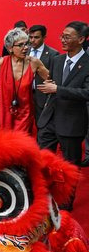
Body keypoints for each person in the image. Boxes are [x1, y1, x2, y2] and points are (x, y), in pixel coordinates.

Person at [0, 28, 49, 134]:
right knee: (6, 142)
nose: (26, 48)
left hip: (25, 112)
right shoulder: (2, 62)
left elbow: (52, 81)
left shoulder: (34, 62)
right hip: (4, 111)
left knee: (21, 142)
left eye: (26, 44)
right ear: (10, 48)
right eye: (20, 45)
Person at [37, 21, 89, 166]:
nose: (62, 40)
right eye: (62, 36)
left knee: (70, 167)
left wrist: (58, 89)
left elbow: (86, 92)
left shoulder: (87, 63)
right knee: (42, 163)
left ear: (81, 39)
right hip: (49, 121)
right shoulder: (57, 60)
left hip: (71, 123)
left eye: (67, 37)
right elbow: (51, 84)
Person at [28, 25, 60, 123]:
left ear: (44, 37)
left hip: (42, 96)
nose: (32, 40)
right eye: (31, 37)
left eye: (36, 37)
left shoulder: (53, 54)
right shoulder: (24, 51)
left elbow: (54, 77)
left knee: (41, 124)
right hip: (25, 94)